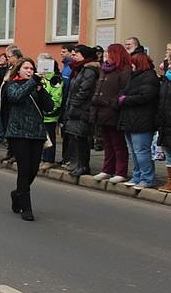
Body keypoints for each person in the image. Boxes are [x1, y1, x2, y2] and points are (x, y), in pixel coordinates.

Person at [4, 58, 54, 221]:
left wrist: (41, 90)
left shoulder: (36, 86)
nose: (29, 71)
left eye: (31, 69)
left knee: (33, 169)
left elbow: (49, 107)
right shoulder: (12, 84)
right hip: (18, 133)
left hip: (37, 133)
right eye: (26, 68)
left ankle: (18, 193)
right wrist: (32, 82)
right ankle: (26, 208)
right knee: (24, 170)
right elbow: (16, 97)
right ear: (18, 70)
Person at [90, 44, 132, 183]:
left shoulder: (124, 70)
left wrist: (113, 103)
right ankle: (107, 170)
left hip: (114, 112)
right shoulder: (104, 69)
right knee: (107, 143)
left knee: (118, 144)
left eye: (110, 52)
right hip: (102, 112)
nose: (107, 55)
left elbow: (124, 90)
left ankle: (121, 171)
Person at [117, 52, 160, 188]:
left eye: (133, 62)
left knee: (141, 151)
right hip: (130, 119)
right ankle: (137, 176)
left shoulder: (149, 77)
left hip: (142, 120)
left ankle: (147, 178)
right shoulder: (134, 76)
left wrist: (126, 99)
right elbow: (124, 91)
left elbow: (146, 96)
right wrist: (122, 96)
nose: (131, 65)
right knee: (134, 152)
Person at [61, 45, 100, 176]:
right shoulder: (80, 69)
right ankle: (79, 164)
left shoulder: (89, 70)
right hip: (76, 109)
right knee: (77, 138)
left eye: (77, 54)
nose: (75, 57)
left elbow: (84, 90)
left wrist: (74, 105)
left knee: (82, 138)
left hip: (82, 109)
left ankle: (83, 166)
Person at [36, 54, 64, 171]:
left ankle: (49, 160)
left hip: (49, 114)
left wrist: (50, 110)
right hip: (39, 113)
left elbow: (56, 97)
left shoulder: (55, 79)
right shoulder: (40, 78)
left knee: (50, 137)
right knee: (42, 137)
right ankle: (43, 158)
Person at [157, 49, 171, 193]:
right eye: (170, 64)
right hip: (165, 123)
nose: (170, 66)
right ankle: (170, 182)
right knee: (168, 154)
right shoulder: (167, 80)